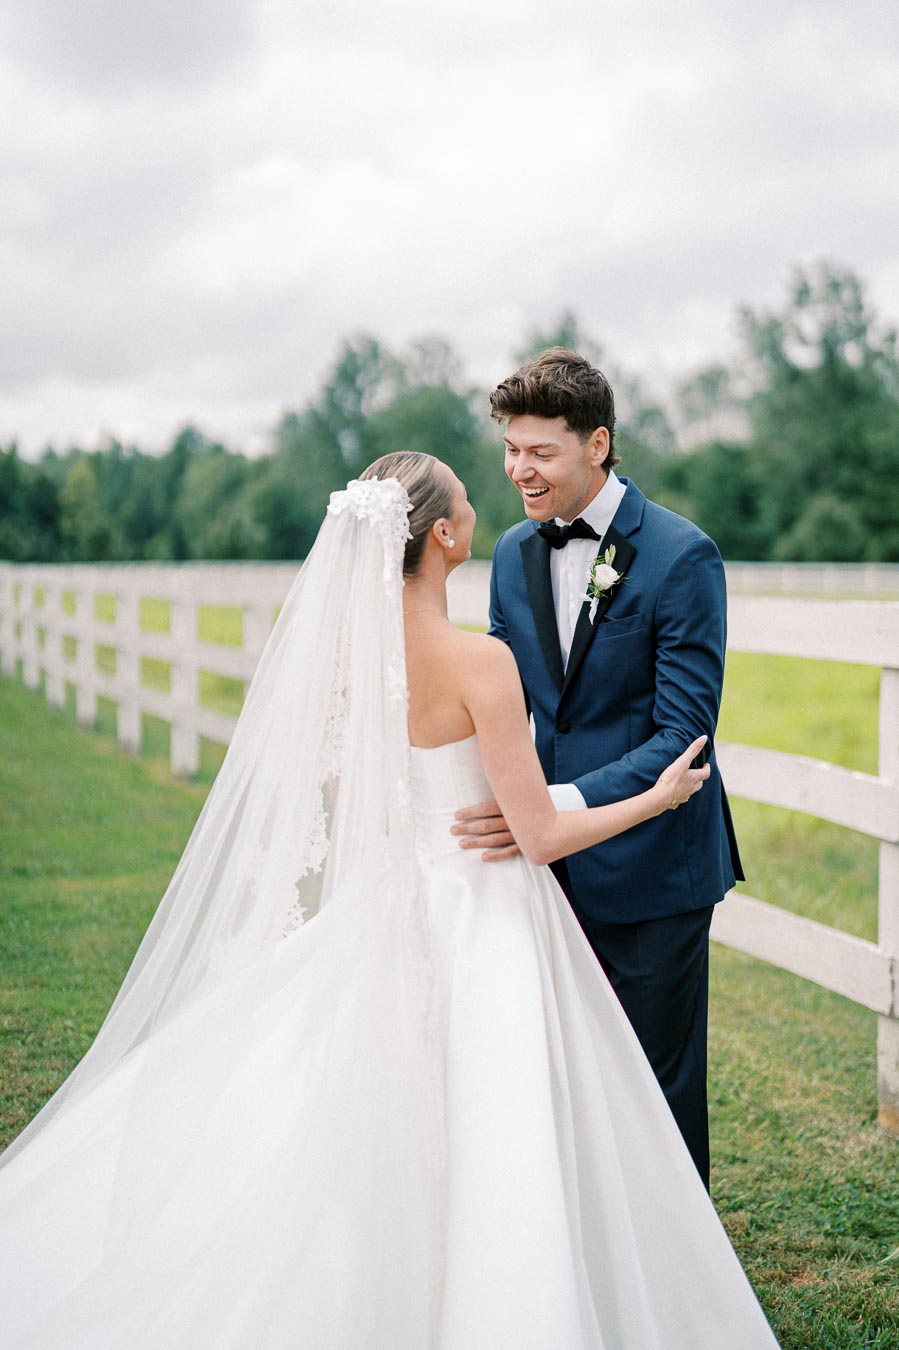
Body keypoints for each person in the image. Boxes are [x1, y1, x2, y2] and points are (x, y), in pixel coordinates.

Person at [0, 458, 777, 1349]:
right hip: (485, 909)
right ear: (442, 534)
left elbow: (352, 792)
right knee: (500, 1116)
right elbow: (538, 837)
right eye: (462, 491)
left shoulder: (348, 660)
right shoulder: (482, 662)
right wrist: (658, 797)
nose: (487, 494)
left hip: (391, 894)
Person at [454, 349, 742, 1187]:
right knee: (560, 1076)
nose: (519, 470)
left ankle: (678, 1299)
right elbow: (505, 700)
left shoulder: (683, 556)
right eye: (512, 449)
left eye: (540, 452)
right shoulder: (511, 553)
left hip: (657, 867)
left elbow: (685, 734)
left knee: (655, 1088)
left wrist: (550, 802)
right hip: (543, 867)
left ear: (598, 444)